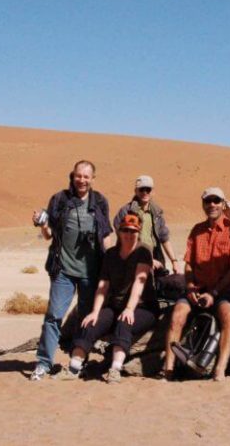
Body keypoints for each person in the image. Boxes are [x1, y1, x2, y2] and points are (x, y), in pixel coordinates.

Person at [29, 160, 114, 381]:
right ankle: (44, 363)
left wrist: (113, 261)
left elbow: (106, 234)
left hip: (90, 272)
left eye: (86, 177)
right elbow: (49, 235)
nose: (82, 180)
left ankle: (78, 362)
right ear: (72, 176)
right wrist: (42, 224)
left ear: (92, 179)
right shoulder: (60, 199)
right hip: (63, 270)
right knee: (54, 316)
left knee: (85, 319)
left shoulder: (100, 202)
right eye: (79, 176)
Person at [162, 187, 230, 381]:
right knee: (177, 315)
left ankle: (220, 368)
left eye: (216, 201)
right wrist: (190, 286)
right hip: (196, 289)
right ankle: (169, 368)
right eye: (208, 201)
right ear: (203, 205)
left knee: (228, 316)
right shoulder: (197, 230)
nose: (212, 205)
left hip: (222, 291)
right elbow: (189, 264)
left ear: (223, 204)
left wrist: (214, 293)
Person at [67, 213, 159, 383]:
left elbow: (140, 283)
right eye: (125, 230)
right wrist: (95, 312)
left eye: (133, 231)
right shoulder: (111, 255)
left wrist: (130, 309)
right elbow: (103, 285)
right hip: (116, 305)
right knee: (91, 322)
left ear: (138, 232)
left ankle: (115, 369)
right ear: (119, 232)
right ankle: (73, 367)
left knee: (124, 323)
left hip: (143, 307)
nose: (129, 234)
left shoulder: (143, 251)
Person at [113, 175, 180, 275]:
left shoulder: (156, 213)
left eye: (148, 190)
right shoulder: (126, 212)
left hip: (155, 259)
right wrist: (147, 259)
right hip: (132, 261)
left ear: (152, 192)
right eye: (141, 190)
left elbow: (164, 238)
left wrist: (174, 261)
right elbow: (124, 240)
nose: (145, 193)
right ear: (136, 191)